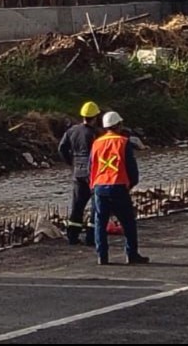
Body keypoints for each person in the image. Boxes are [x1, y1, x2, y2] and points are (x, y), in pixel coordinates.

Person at [89, 110, 148, 265]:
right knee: (128, 222)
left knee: (100, 223)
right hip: (118, 185)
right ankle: (131, 254)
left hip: (100, 186)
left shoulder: (96, 143)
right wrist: (131, 183)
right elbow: (131, 166)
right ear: (118, 125)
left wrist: (93, 186)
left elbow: (92, 166)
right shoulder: (123, 142)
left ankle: (102, 256)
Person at [58, 100, 102, 246]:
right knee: (96, 206)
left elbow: (61, 148)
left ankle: (72, 235)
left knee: (77, 205)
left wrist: (71, 162)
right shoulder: (95, 134)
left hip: (77, 172)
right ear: (95, 117)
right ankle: (91, 237)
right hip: (93, 173)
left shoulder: (72, 131)